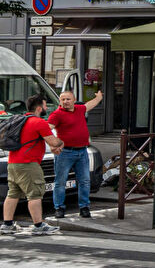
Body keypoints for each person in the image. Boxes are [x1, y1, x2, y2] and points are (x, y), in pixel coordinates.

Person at [2, 94, 62, 236]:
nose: (47, 108)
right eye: (46, 106)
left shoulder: (19, 120)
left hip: (13, 163)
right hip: (29, 164)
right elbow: (54, 142)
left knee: (12, 193)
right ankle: (38, 225)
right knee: (35, 194)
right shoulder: (39, 122)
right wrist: (61, 143)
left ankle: (7, 225)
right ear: (39, 108)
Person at [46, 89, 101, 219]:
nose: (65, 102)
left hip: (82, 151)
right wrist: (52, 145)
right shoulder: (56, 114)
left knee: (85, 181)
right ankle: (59, 208)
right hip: (65, 153)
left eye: (68, 99)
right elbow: (46, 130)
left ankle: (84, 208)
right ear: (60, 101)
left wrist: (99, 98)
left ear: (74, 100)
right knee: (60, 182)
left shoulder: (79, 109)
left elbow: (89, 105)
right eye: (63, 99)